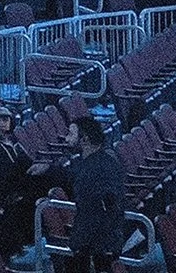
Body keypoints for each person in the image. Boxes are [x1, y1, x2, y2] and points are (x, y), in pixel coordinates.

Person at [0, 105, 49, 256]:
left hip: (21, 188)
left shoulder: (14, 145)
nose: (1, 124)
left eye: (5, 120)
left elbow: (28, 167)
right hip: (5, 195)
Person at [67, 116, 125, 273]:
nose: (67, 139)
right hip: (109, 238)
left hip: (96, 244)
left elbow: (91, 213)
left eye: (71, 134)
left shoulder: (91, 171)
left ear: (84, 139)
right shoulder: (107, 160)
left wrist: (80, 243)